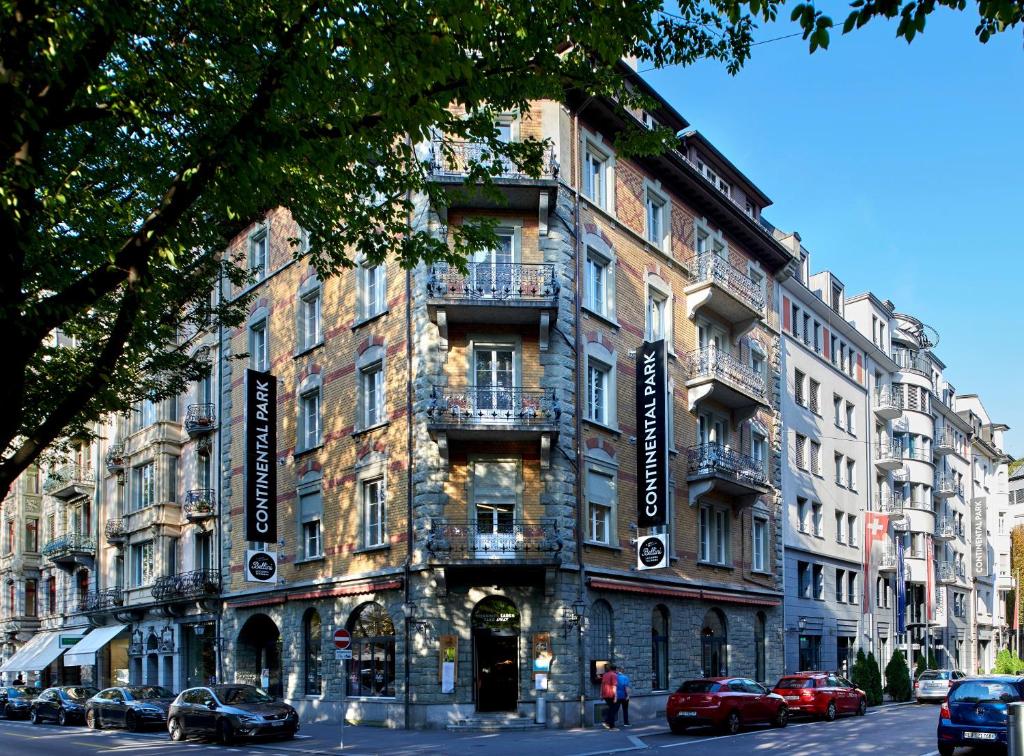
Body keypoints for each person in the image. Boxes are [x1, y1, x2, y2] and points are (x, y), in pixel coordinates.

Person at [600, 663, 619, 730]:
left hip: (605, 694)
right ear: (615, 669)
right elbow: (614, 686)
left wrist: (601, 695)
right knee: (613, 709)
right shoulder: (614, 675)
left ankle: (607, 722)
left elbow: (602, 685)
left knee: (611, 709)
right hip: (611, 694)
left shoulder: (605, 674)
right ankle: (611, 726)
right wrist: (616, 696)